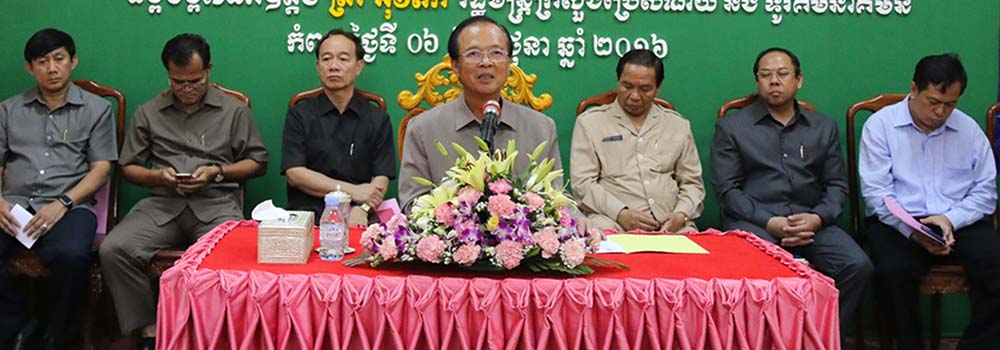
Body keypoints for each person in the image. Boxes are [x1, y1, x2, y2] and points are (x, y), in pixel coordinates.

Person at [99, 33, 268, 350]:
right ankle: (149, 331)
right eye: (179, 82)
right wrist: (159, 177)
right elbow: (128, 166)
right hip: (163, 203)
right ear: (168, 75)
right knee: (115, 249)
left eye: (195, 80)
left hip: (217, 203)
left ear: (209, 70)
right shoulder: (150, 112)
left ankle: (211, 335)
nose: (187, 89)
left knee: (234, 254)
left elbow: (258, 162)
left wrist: (217, 172)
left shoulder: (233, 111)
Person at [711, 47, 872, 334]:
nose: (774, 80)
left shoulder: (823, 127)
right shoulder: (732, 127)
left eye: (783, 74)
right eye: (766, 75)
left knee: (857, 266)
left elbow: (837, 185)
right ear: (757, 82)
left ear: (799, 80)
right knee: (761, 268)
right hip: (755, 224)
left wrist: (818, 218)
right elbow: (728, 190)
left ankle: (821, 337)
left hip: (812, 223)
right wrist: (771, 223)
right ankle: (769, 339)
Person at [860, 53, 1000, 349]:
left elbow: (985, 193)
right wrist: (913, 231)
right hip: (899, 222)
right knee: (893, 272)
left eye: (950, 104)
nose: (940, 112)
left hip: (958, 221)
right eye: (933, 101)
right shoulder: (880, 126)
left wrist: (951, 220)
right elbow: (876, 193)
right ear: (914, 89)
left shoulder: (969, 130)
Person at [0, 28, 117, 350]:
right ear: (29, 67)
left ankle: (58, 334)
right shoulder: (9, 110)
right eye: (42, 61)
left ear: (72, 61)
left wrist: (63, 203)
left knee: (70, 254)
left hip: (69, 206)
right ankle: (14, 327)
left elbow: (102, 169)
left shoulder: (96, 110)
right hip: (13, 204)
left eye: (59, 59)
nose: (51, 68)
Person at [397, 15, 563, 210]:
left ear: (509, 63)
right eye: (474, 53)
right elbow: (411, 204)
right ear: (455, 65)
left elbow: (556, 200)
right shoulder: (423, 129)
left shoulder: (541, 128)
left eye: (496, 53)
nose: (486, 62)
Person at [570, 49, 704, 233]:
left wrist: (681, 214)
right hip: (611, 220)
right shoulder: (590, 123)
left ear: (658, 87)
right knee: (602, 239)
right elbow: (583, 184)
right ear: (618, 82)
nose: (634, 95)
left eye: (645, 89)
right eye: (627, 86)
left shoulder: (678, 125)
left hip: (671, 223)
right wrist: (620, 213)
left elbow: (692, 184)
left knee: (695, 254)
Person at [282, 29, 395, 226]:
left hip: (359, 214)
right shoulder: (300, 114)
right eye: (326, 59)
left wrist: (363, 209)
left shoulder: (377, 118)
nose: (334, 66)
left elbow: (381, 177)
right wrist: (352, 191)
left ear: (358, 66)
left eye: (343, 59)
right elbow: (295, 174)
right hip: (309, 216)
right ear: (318, 67)